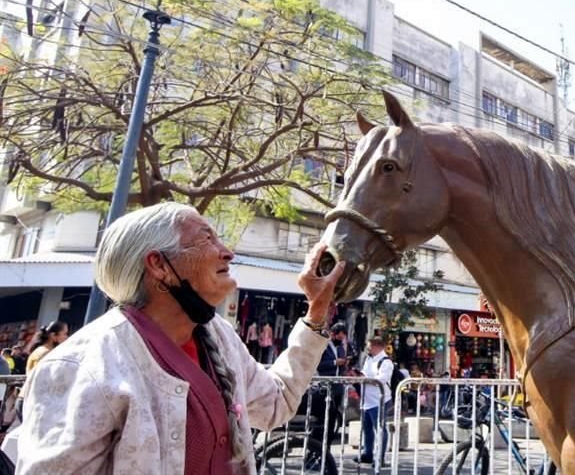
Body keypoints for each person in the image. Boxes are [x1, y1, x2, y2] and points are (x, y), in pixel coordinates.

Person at [17, 202, 345, 475]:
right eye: (207, 239)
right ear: (159, 265)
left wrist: (316, 311)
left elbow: (277, 403)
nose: (227, 252)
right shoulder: (82, 368)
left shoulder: (221, 338)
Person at [356, 337, 393, 466]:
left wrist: (365, 379)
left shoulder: (386, 362)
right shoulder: (368, 359)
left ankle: (380, 457)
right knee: (367, 428)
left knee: (380, 429)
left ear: (377, 347)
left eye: (370, 346)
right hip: (366, 399)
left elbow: (381, 380)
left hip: (379, 400)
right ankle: (368, 453)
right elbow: (365, 373)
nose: (368, 348)